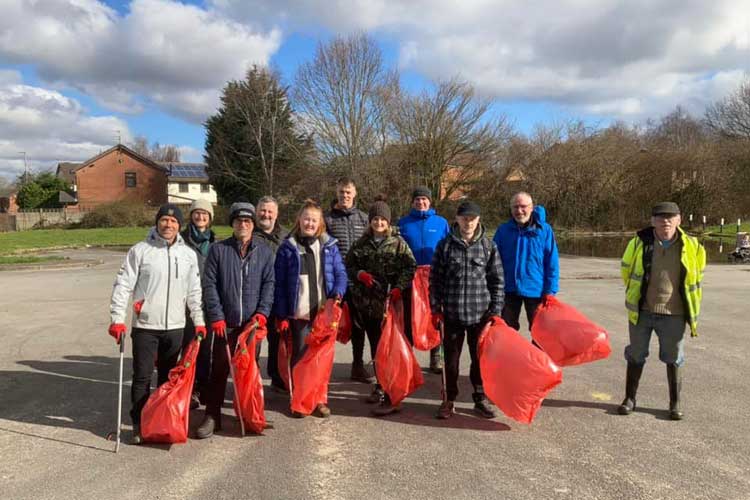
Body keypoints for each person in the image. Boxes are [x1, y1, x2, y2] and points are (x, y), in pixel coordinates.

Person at [108, 204, 205, 444]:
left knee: (166, 378)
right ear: (157, 222)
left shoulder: (188, 255)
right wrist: (117, 319)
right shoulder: (140, 250)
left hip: (175, 326)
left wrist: (199, 321)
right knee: (142, 377)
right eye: (164, 220)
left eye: (173, 222)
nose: (168, 225)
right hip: (145, 326)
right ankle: (139, 423)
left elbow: (194, 291)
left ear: (179, 226)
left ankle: (159, 420)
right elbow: (123, 285)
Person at [618, 202, 705, 420]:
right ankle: (630, 399)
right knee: (636, 355)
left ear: (679, 220)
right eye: (660, 217)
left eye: (670, 217)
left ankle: (675, 404)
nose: (665, 221)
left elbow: (698, 273)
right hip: (642, 311)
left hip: (674, 313)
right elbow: (626, 270)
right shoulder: (639, 243)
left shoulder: (693, 245)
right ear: (652, 220)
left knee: (674, 358)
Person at [197, 202, 275, 438]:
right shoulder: (219, 250)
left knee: (249, 371)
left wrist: (262, 313)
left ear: (253, 225)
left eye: (248, 221)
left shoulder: (264, 252)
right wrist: (217, 316)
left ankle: (248, 414)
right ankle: (212, 415)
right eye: (239, 221)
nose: (243, 225)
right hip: (226, 324)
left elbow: (269, 285)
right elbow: (209, 285)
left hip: (251, 325)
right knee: (219, 369)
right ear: (232, 223)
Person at [273, 199, 348, 417]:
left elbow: (341, 273)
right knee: (300, 357)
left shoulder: (329, 246)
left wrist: (338, 293)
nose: (310, 223)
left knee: (322, 360)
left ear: (320, 223)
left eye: (314, 220)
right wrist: (282, 314)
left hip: (324, 314)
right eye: (306, 218)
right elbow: (280, 284)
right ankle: (300, 399)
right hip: (300, 314)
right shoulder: (288, 248)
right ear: (299, 220)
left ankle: (319, 400)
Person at [430, 201, 504, 420]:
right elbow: (435, 280)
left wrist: (495, 311)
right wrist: (436, 308)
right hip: (451, 314)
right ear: (457, 219)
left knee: (479, 359)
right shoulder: (444, 246)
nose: (468, 222)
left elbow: (498, 281)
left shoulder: (489, 247)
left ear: (478, 219)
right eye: (464, 218)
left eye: (472, 218)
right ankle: (448, 399)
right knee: (450, 361)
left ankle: (480, 398)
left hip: (480, 315)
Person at [345, 196, 416, 416]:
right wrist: (360, 274)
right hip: (365, 303)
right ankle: (380, 384)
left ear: (388, 222)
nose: (378, 223)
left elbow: (410, 267)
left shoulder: (398, 243)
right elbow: (348, 263)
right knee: (376, 347)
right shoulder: (361, 243)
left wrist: (398, 288)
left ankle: (390, 392)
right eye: (375, 219)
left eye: (382, 220)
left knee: (388, 349)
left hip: (388, 304)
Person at [324, 177, 371, 383]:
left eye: (348, 192)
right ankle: (322, 366)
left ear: (355, 193)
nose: (345, 195)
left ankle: (358, 366)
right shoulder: (327, 220)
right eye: (341, 192)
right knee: (328, 324)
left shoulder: (364, 218)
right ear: (337, 193)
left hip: (359, 281)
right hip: (335, 281)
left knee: (359, 325)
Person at [397, 186, 449, 372]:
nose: (421, 202)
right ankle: (408, 356)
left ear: (430, 201)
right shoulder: (403, 223)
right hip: (411, 278)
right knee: (410, 316)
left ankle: (436, 357)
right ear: (412, 202)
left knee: (435, 316)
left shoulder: (441, 222)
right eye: (417, 199)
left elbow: (447, 248)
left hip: (434, 277)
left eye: (424, 199)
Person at [493, 191, 559, 333]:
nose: (519, 211)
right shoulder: (503, 231)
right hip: (508, 290)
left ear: (531, 207)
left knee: (541, 332)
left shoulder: (544, 231)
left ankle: (538, 356)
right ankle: (511, 356)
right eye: (515, 207)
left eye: (523, 206)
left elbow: (552, 264)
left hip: (537, 291)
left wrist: (550, 291)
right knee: (506, 332)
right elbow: (493, 262)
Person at [180, 199, 216, 409]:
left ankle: (203, 386)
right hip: (185, 303)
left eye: (205, 214)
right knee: (187, 346)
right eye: (197, 213)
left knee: (204, 349)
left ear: (210, 218)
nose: (200, 217)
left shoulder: (214, 242)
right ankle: (188, 387)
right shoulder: (181, 240)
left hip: (207, 302)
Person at [253, 196, 290, 392]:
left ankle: (277, 377)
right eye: (262, 210)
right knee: (253, 343)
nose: (266, 214)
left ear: (276, 214)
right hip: (255, 298)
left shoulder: (286, 236)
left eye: (270, 211)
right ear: (256, 211)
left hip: (278, 297)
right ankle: (251, 380)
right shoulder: (249, 233)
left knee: (277, 340)